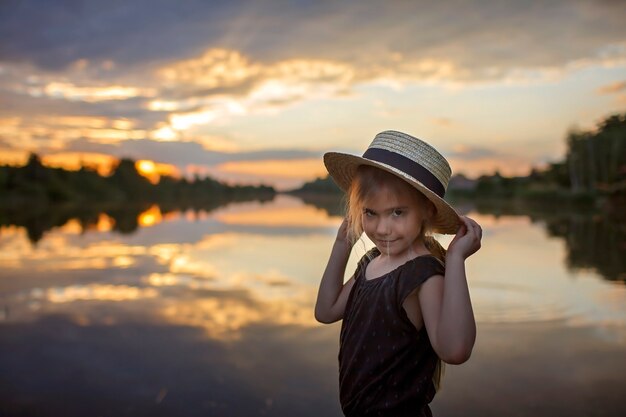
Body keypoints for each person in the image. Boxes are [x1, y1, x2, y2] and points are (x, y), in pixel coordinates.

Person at [314, 130, 482, 417]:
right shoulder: (371, 262)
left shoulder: (423, 274)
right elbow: (326, 311)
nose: (382, 229)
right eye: (370, 213)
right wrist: (343, 243)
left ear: (426, 211)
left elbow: (454, 350)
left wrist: (455, 260)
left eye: (397, 213)